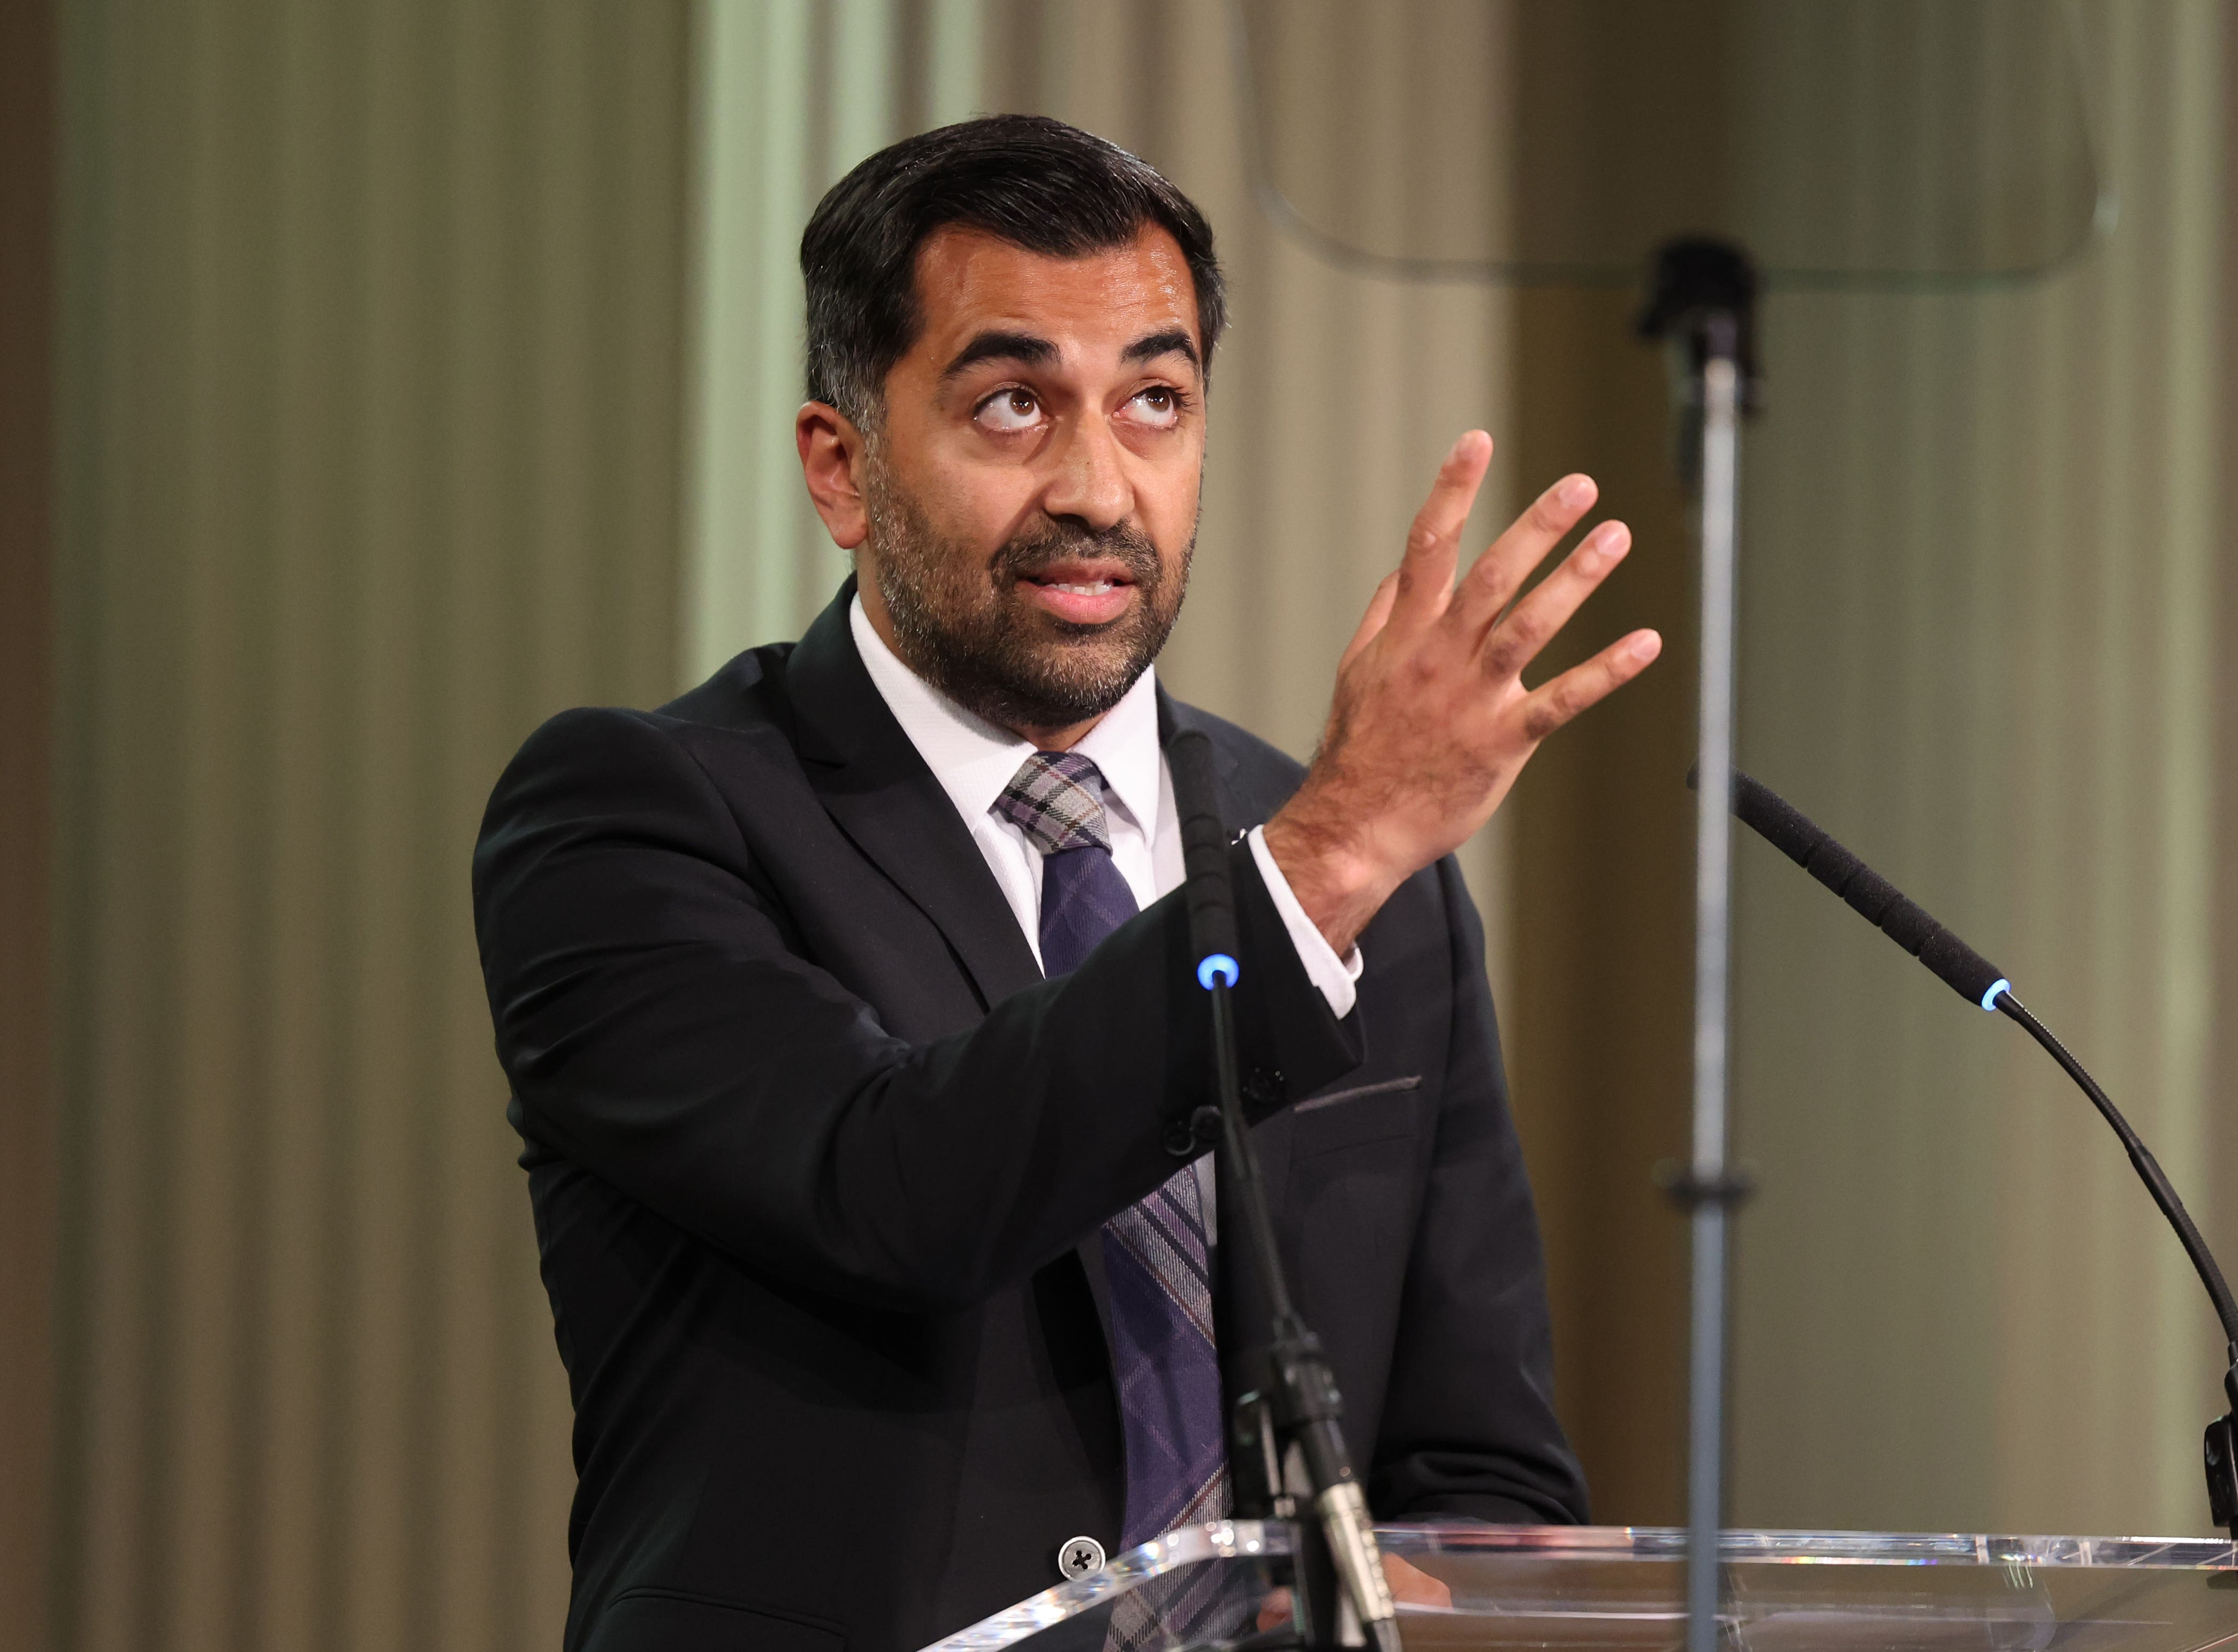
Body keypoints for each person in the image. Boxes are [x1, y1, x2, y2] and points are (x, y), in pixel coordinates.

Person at [474, 114, 1662, 1652]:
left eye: (1155, 402)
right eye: (1015, 405)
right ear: (843, 467)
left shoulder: (1379, 891)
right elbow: (893, 1188)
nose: (1098, 485)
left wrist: (1429, 1596)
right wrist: (1327, 860)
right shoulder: (636, 817)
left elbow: (1475, 1456)